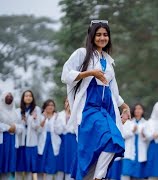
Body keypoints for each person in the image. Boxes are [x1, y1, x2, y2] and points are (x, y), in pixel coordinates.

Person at [61, 20, 130, 180]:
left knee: (114, 142)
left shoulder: (108, 60)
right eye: (98, 34)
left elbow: (113, 89)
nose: (102, 38)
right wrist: (90, 72)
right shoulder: (82, 53)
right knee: (109, 139)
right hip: (89, 108)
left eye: (105, 35)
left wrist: (124, 106)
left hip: (106, 109)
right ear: (91, 36)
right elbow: (65, 75)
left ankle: (98, 177)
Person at [15, 90, 42, 180]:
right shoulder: (18, 111)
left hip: (31, 143)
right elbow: (16, 126)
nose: (28, 97)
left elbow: (38, 128)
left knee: (29, 168)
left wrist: (33, 119)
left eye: (30, 96)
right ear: (23, 98)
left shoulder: (36, 110)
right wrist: (23, 122)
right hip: (20, 143)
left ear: (32, 98)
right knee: (18, 168)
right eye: (26, 96)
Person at [121, 103, 149, 180]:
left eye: (140, 109)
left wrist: (144, 134)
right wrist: (132, 131)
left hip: (140, 153)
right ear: (133, 110)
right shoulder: (128, 122)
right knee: (125, 174)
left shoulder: (146, 123)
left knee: (139, 176)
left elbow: (149, 138)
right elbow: (122, 135)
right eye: (136, 109)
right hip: (129, 152)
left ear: (143, 111)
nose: (138, 110)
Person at [0, 92, 23, 179]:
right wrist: (7, 128)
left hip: (11, 142)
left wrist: (15, 127)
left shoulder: (16, 112)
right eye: (7, 96)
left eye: (11, 96)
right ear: (3, 98)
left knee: (7, 170)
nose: (9, 97)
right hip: (1, 141)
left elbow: (21, 127)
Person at [37, 99, 62, 180]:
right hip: (42, 143)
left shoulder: (57, 116)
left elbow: (59, 131)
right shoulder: (40, 116)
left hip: (53, 143)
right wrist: (44, 119)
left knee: (50, 166)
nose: (50, 107)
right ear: (45, 107)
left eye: (52, 105)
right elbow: (39, 130)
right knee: (40, 166)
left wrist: (54, 121)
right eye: (48, 105)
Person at [56, 98, 77, 180]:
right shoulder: (60, 115)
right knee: (61, 164)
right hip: (62, 142)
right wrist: (66, 119)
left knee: (71, 164)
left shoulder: (77, 115)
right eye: (67, 101)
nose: (68, 103)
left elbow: (76, 129)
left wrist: (70, 116)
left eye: (70, 101)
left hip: (73, 142)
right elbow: (57, 130)